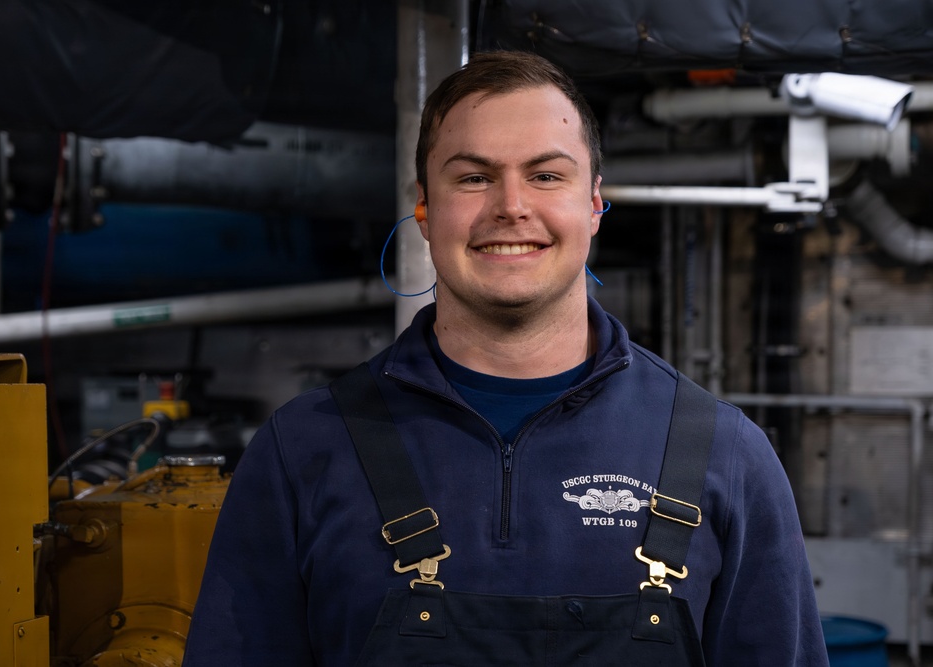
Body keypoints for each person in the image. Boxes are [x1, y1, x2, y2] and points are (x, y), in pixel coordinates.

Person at [183, 50, 829, 666]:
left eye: (547, 175)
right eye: (474, 177)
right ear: (426, 209)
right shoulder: (302, 451)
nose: (511, 206)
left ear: (595, 203)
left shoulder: (724, 455)